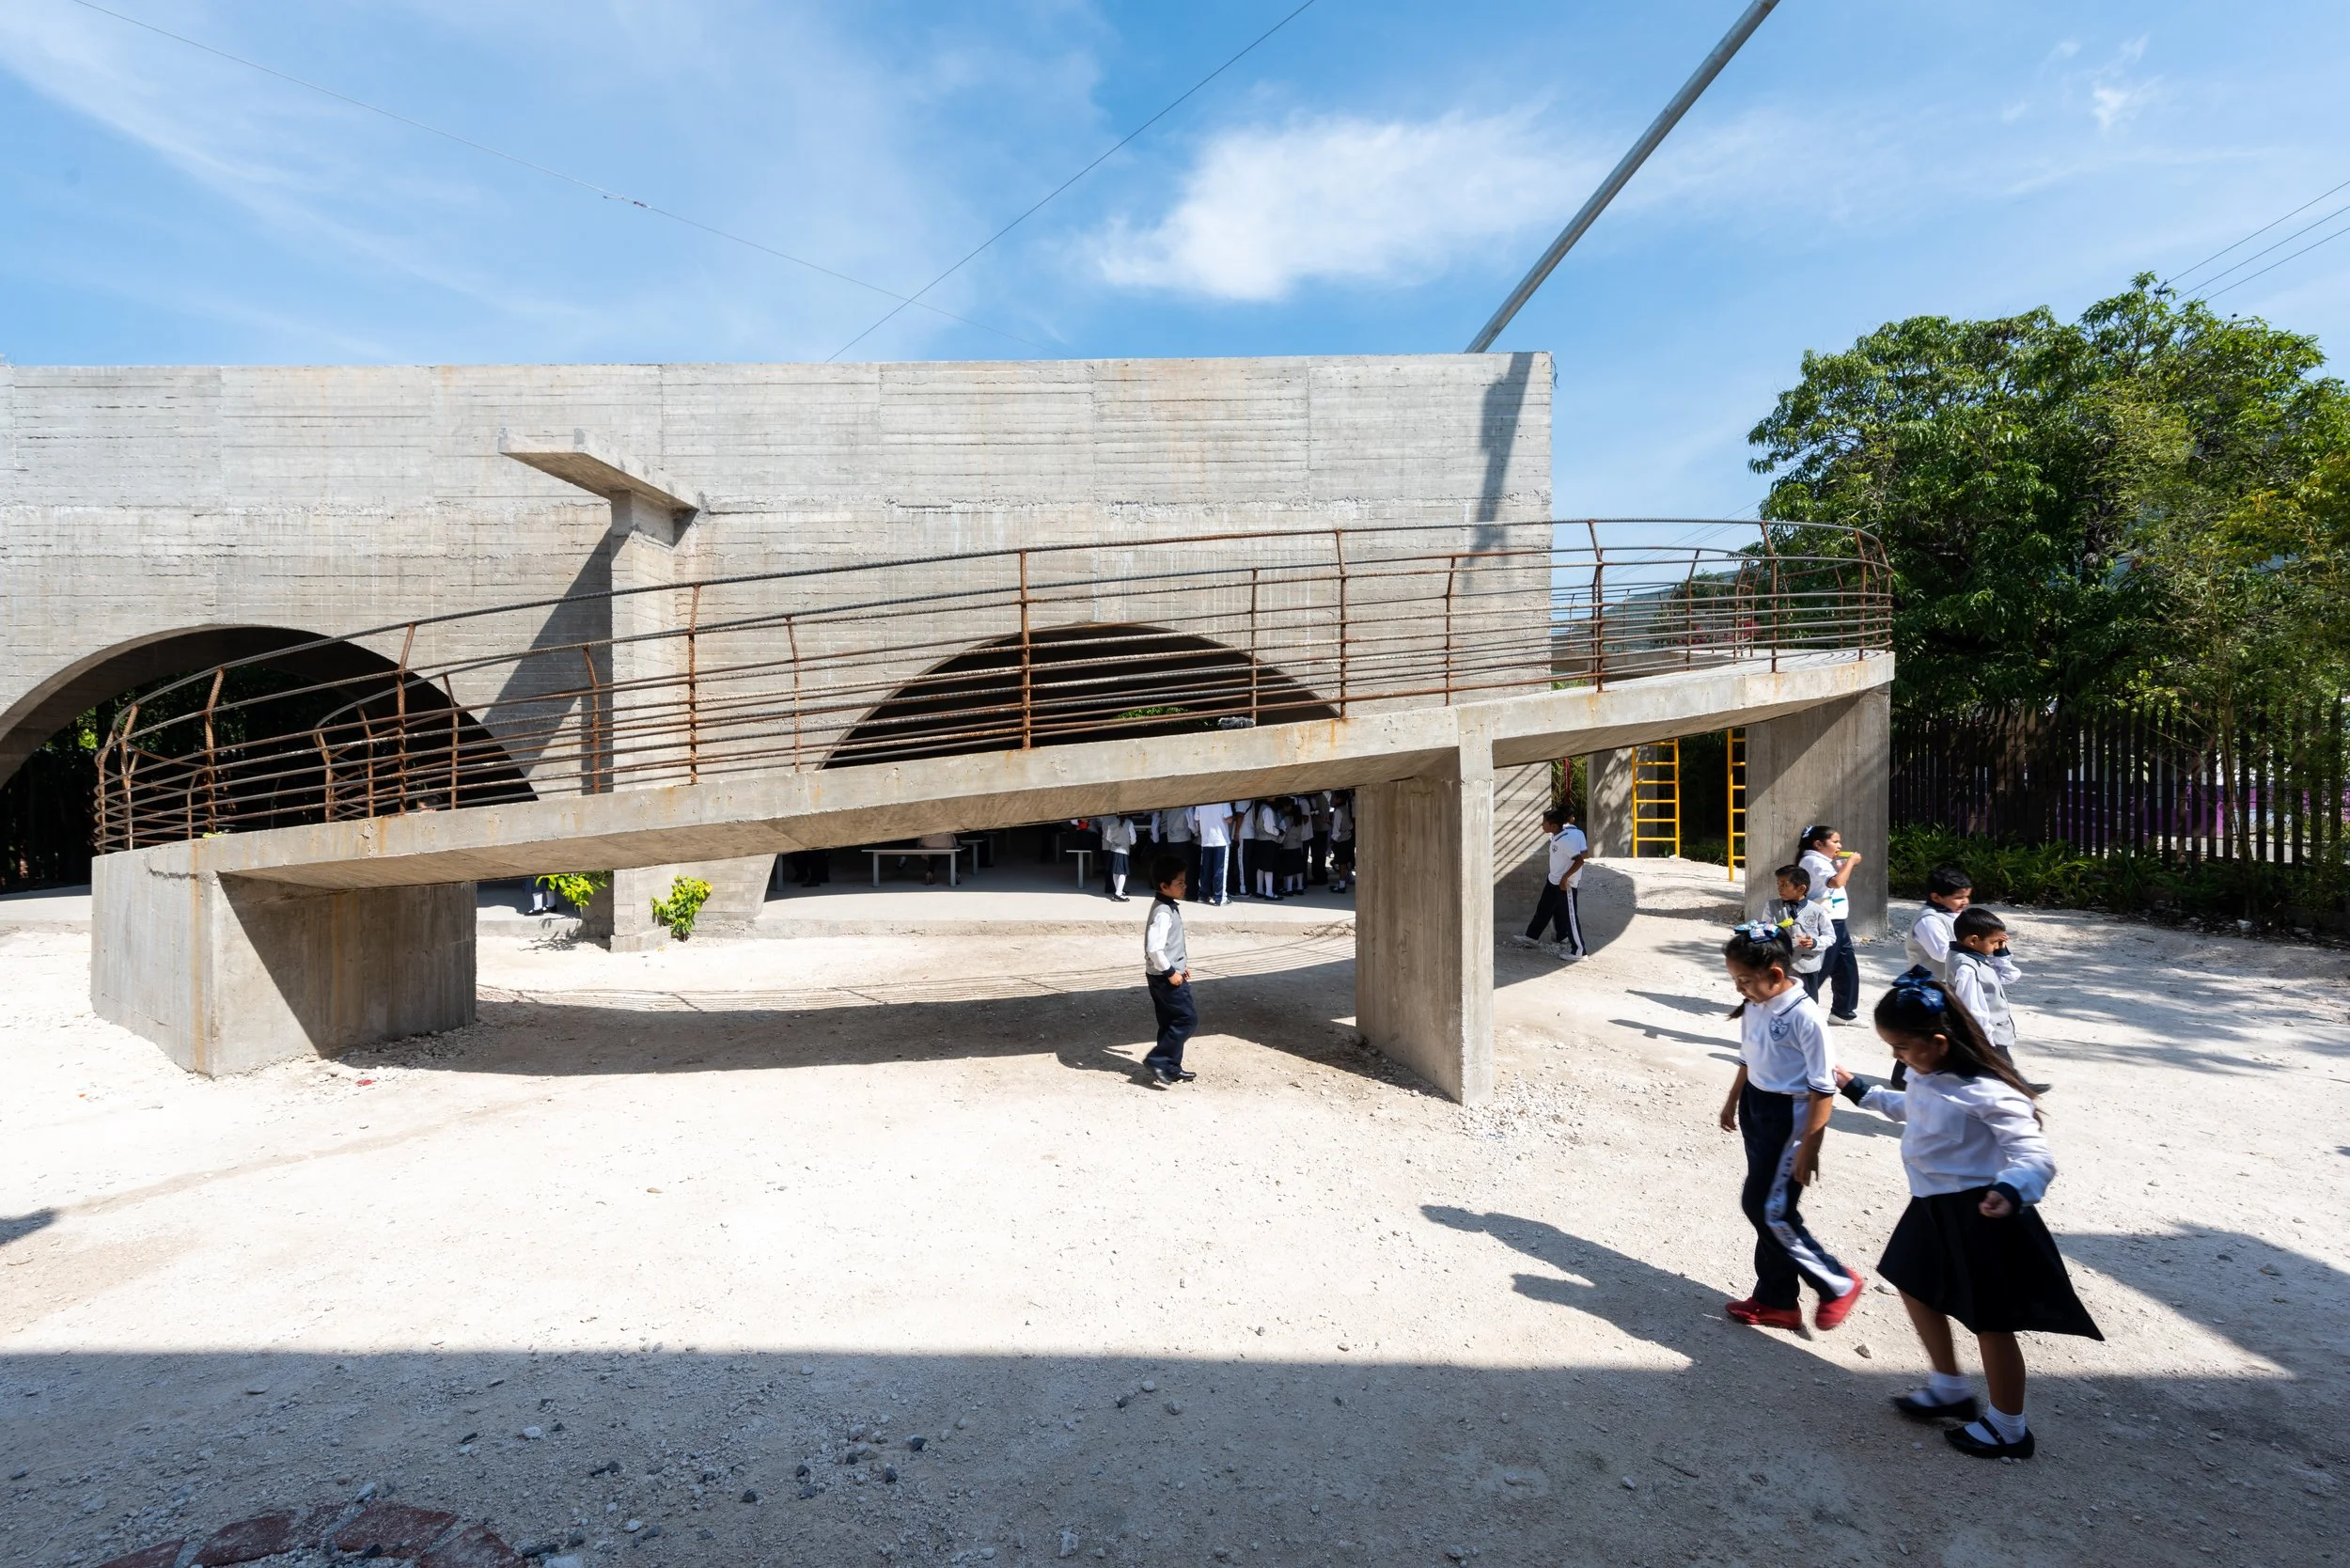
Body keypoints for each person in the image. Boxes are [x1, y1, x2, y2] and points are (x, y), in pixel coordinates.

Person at [1836, 976, 2101, 1459]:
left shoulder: (1989, 1092)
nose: (1897, 1056)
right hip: (1932, 1205)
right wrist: (1859, 1090)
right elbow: (1913, 1108)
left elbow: (2034, 1155)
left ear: (1939, 1043)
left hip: (1983, 1213)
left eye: (1902, 1047)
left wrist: (2011, 1188)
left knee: (1990, 1321)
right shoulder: (1927, 1075)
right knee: (1912, 1282)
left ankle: (2009, 1427)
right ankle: (1949, 1386)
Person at [1717, 921, 1867, 1331]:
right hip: (1757, 1108)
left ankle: (1836, 1280)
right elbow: (1748, 1056)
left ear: (1775, 974)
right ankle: (1776, 1300)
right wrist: (1733, 1100)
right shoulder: (1755, 1003)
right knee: (1768, 1206)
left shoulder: (1805, 1017)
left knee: (1768, 1209)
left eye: (1744, 980)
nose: (1739, 988)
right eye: (1735, 980)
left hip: (1790, 1118)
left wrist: (1809, 1149)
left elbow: (1823, 1088)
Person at [1947, 905, 2046, 1089]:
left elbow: (2010, 976)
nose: (1995, 947)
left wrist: (2001, 952)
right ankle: (2020, 1089)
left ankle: (2017, 1086)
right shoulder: (1966, 968)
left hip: (1990, 1031)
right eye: (1994, 942)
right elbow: (1972, 1007)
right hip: (1987, 1031)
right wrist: (1984, 1037)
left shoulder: (1971, 956)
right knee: (2001, 1066)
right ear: (1973, 940)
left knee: (1997, 1067)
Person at [1141, 855, 1198, 1088]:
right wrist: (1171, 972)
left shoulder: (1166, 906)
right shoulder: (1163, 912)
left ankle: (1170, 1067)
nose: (1185, 886)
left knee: (1169, 1022)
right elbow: (1154, 949)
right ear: (1164, 886)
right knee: (1186, 1019)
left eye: (1184, 881)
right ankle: (1158, 1060)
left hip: (1166, 972)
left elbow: (1169, 946)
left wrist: (1181, 967)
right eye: (1180, 882)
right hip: (1165, 977)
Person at [1797, 824, 1864, 1025]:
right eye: (1835, 841)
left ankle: (1843, 1012)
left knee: (1846, 967)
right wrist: (1850, 862)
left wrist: (1843, 867)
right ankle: (1795, 1006)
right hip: (1824, 923)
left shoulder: (1822, 861)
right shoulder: (1812, 860)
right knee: (1820, 968)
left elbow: (1834, 884)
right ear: (1818, 844)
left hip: (1837, 921)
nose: (1839, 845)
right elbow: (1836, 883)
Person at [1512, 805, 1588, 958]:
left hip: (1565, 885)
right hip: (1553, 881)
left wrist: (1565, 878)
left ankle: (1579, 951)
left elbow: (1580, 860)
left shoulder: (1565, 840)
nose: (1542, 825)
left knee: (1570, 917)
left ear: (1554, 826)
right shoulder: (1556, 837)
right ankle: (1531, 937)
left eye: (1544, 822)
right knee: (1543, 909)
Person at [1772, 863, 1835, 994]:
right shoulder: (1771, 907)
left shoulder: (1817, 910)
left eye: (1784, 885)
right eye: (1778, 884)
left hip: (1807, 966)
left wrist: (1815, 942)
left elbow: (1830, 936)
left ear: (1801, 889)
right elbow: (1766, 931)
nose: (1779, 888)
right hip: (1782, 966)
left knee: (1808, 1000)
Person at [1190, 802, 1233, 905]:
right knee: (1220, 870)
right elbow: (1228, 819)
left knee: (1205, 869)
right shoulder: (1224, 801)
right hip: (1220, 840)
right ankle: (1220, 898)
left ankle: (1203, 895)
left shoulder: (1201, 802)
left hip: (1206, 840)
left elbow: (1196, 819)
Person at [1157, 806, 1197, 902]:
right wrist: (1195, 833)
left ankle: (1174, 892)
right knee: (1187, 869)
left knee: (1175, 869)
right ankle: (1189, 894)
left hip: (1171, 840)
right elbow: (1192, 825)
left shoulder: (1170, 810)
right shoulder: (1187, 809)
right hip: (1183, 839)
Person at [1099, 813, 1136, 902]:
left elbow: (1108, 837)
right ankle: (1118, 893)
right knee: (1123, 873)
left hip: (1114, 849)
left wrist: (1114, 842)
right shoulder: (1129, 823)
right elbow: (1133, 838)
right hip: (1123, 850)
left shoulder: (1112, 823)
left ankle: (1118, 891)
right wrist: (1130, 843)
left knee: (1115, 872)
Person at [1280, 797, 1309, 896]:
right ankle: (1300, 888)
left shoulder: (1285, 820)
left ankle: (1289, 889)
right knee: (1298, 868)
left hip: (1288, 846)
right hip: (1298, 846)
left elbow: (1282, 833)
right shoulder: (1300, 820)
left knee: (1289, 869)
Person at [1328, 791, 1355, 893]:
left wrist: (1332, 841)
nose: (1333, 799)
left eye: (1335, 797)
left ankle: (1342, 885)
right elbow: (1350, 825)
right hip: (1348, 837)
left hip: (1340, 840)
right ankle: (1342, 883)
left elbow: (1336, 828)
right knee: (1345, 862)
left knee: (1341, 863)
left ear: (1339, 799)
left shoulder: (1338, 811)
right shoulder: (1346, 808)